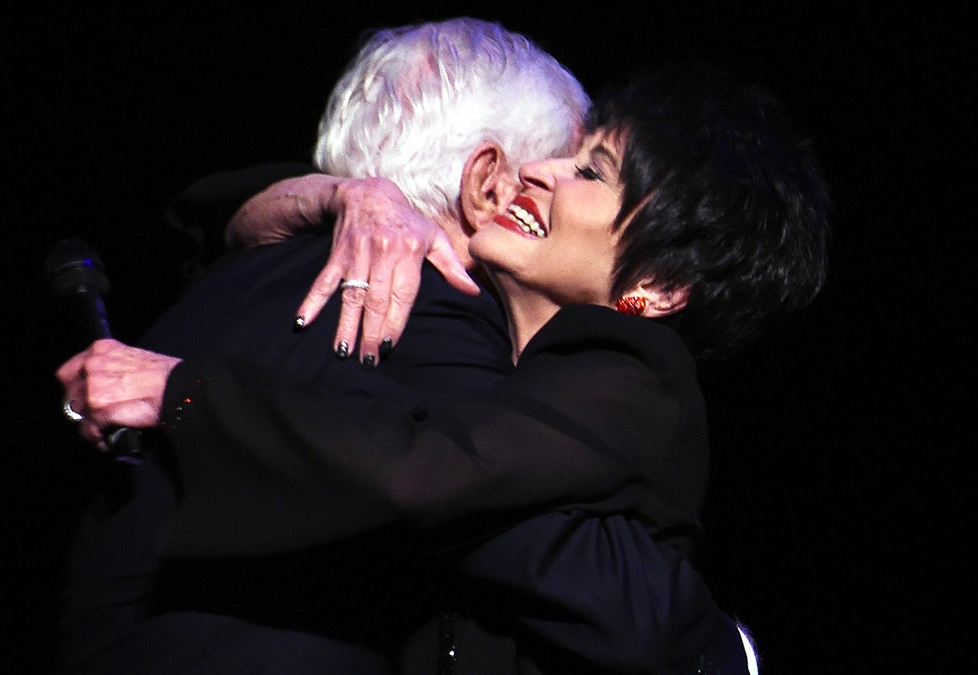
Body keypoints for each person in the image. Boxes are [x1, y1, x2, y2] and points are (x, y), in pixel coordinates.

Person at [57, 36, 823, 675]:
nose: (541, 176)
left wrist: (188, 394)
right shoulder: (425, 310)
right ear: (482, 177)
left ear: (658, 283)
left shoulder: (628, 379)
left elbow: (434, 479)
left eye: (588, 171)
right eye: (568, 156)